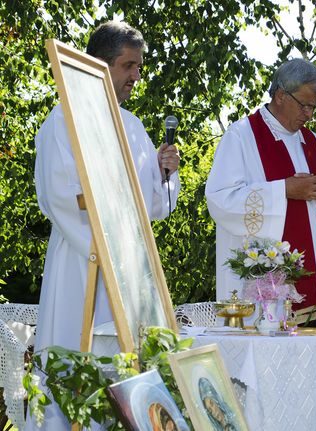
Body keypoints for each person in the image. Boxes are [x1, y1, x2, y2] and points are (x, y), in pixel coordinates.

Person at [27, 21, 180, 430]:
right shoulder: (61, 122)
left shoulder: (132, 126)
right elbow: (58, 195)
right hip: (81, 260)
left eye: (139, 67)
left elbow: (155, 206)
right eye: (128, 65)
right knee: (74, 359)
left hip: (129, 267)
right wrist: (102, 241)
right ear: (99, 66)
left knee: (124, 363)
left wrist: (167, 173)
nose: (136, 76)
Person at [205, 58, 316, 309]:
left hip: (314, 276)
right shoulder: (241, 136)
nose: (309, 115)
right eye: (305, 105)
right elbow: (220, 199)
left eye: (314, 107)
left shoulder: (314, 144)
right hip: (261, 281)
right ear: (281, 95)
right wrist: (284, 190)